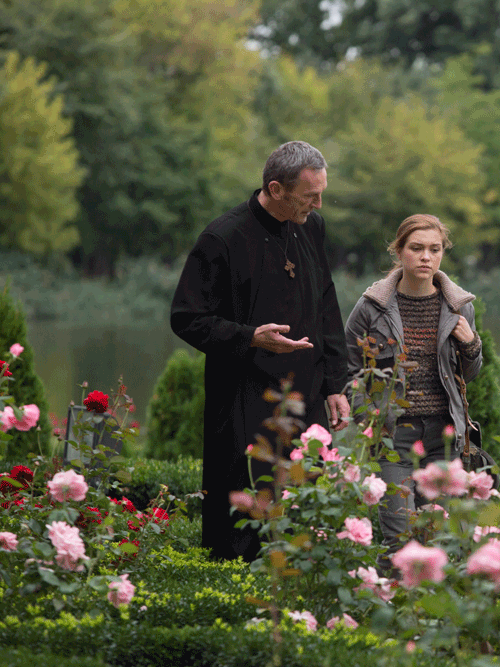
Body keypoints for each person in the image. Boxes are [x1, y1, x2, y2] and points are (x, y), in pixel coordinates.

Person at [171, 141, 350, 561]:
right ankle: (235, 601)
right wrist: (250, 336)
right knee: (242, 515)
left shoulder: (311, 226)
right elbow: (186, 318)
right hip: (243, 398)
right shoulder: (222, 238)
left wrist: (335, 384)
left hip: (305, 392)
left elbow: (326, 304)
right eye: (310, 196)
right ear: (275, 188)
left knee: (307, 501)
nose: (319, 204)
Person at [344, 214, 482, 556]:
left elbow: (470, 374)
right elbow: (349, 371)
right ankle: (395, 604)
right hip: (394, 439)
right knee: (399, 540)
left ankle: (438, 610)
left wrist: (471, 345)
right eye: (416, 248)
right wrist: (369, 419)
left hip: (443, 439)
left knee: (445, 539)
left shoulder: (459, 306)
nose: (426, 257)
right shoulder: (371, 307)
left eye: (435, 250)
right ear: (399, 252)